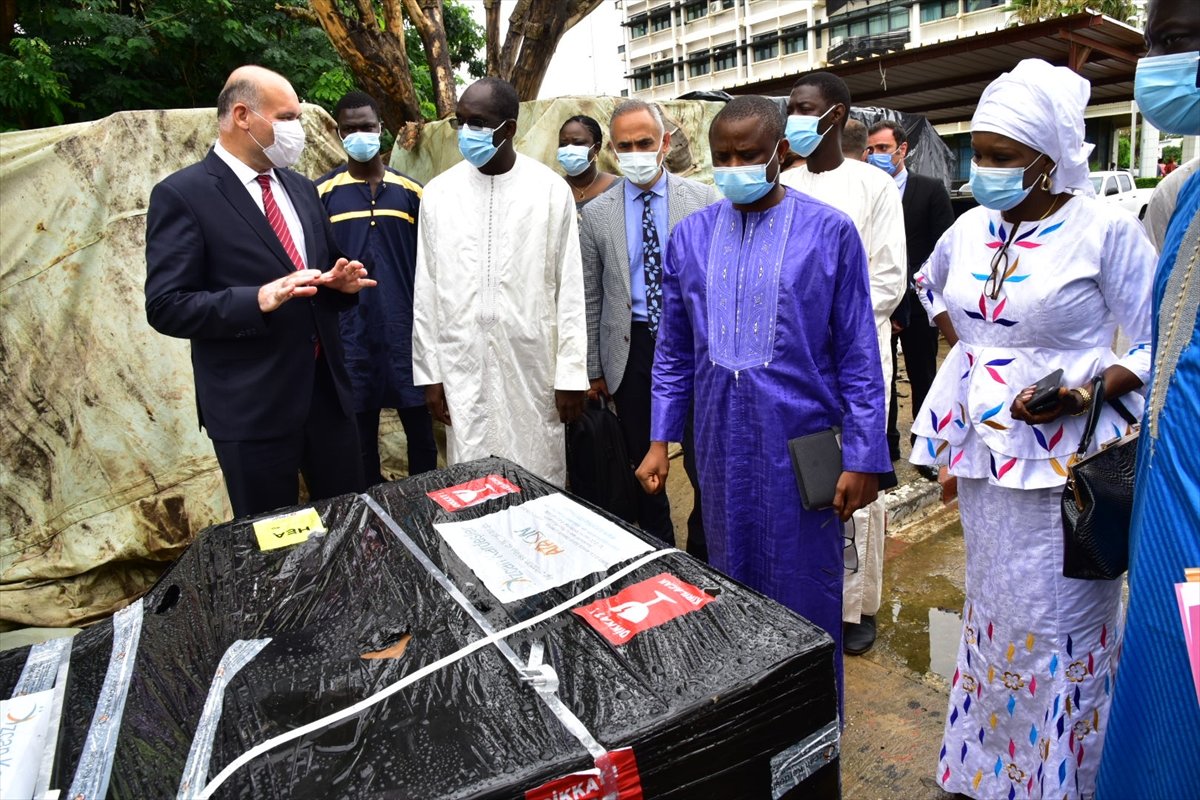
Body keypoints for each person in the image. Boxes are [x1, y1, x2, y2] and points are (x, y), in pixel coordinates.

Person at [909, 59, 1155, 799]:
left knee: (1063, 619)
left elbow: (1155, 344)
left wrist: (1083, 390)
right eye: (976, 154)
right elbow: (931, 289)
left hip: (1071, 468)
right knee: (994, 607)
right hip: (990, 462)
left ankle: (1064, 780)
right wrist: (976, 369)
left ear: (1050, 158)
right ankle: (991, 767)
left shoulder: (1106, 231)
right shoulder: (967, 227)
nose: (983, 170)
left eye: (1002, 157)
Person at [635, 95, 890, 713]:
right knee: (733, 575)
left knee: (807, 585)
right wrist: (659, 440)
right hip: (720, 445)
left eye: (747, 155)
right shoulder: (690, 237)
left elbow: (858, 353)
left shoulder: (830, 233)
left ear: (781, 152)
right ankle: (755, 724)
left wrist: (863, 455)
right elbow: (673, 350)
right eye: (722, 156)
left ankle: (812, 722)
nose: (733, 166)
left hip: (801, 447)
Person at [144, 66, 374, 519]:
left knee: (350, 525)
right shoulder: (183, 194)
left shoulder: (303, 189)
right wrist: (257, 300)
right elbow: (166, 306)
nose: (299, 130)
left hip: (327, 398)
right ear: (244, 115)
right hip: (252, 408)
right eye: (287, 117)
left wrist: (341, 285)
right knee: (269, 542)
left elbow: (318, 277)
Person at [1098, 0, 1200, 795]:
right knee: (1168, 702)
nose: (1157, 63)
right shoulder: (1187, 190)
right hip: (1173, 502)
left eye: (1176, 41)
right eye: (1155, 42)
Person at [780, 72, 906, 656]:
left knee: (856, 481)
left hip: (855, 358)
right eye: (790, 108)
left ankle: (856, 608)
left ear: (835, 114)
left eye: (804, 109)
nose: (794, 118)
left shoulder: (874, 188)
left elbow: (888, 280)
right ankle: (805, 598)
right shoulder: (780, 183)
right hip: (797, 365)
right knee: (806, 480)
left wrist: (826, 322)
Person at [411, 78, 587, 486]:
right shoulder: (438, 194)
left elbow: (570, 290)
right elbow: (427, 288)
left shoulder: (549, 191)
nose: (466, 132)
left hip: (533, 365)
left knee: (537, 474)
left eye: (478, 122)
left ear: (508, 129)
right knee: (470, 478)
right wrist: (430, 374)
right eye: (461, 122)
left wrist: (571, 375)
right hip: (461, 364)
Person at [579, 100, 717, 548]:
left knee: (702, 459)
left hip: (694, 345)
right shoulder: (596, 214)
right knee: (644, 461)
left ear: (665, 143)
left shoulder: (703, 202)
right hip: (632, 347)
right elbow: (591, 294)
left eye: (644, 142)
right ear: (612, 151)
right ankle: (659, 551)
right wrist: (593, 369)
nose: (635, 151)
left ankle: (701, 548)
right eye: (625, 145)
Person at [316, 91, 437, 484]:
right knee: (359, 439)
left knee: (421, 436)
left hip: (407, 335)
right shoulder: (321, 194)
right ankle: (371, 523)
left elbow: (433, 264)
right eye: (350, 129)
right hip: (351, 337)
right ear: (339, 133)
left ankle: (424, 510)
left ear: (381, 130)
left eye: (366, 127)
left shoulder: (412, 192)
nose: (359, 135)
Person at [867, 119, 955, 481]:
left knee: (923, 375)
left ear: (903, 150)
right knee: (880, 376)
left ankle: (926, 447)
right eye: (870, 150)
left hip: (919, 304)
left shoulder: (929, 190)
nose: (876, 156)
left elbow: (943, 247)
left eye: (883, 149)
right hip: (878, 303)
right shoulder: (867, 189)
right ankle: (886, 451)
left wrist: (912, 291)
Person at [557, 114, 620, 217]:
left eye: (578, 143)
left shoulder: (619, 188)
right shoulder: (553, 189)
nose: (569, 150)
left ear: (596, 148)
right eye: (563, 144)